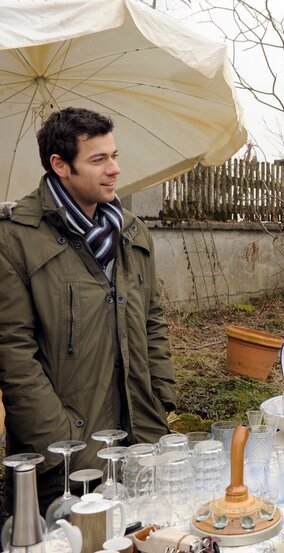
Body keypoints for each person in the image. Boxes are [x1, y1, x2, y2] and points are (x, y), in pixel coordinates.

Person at [0, 107, 176, 508]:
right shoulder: (15, 239)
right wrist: (63, 442)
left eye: (114, 155)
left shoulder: (131, 232)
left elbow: (153, 321)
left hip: (141, 439)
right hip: (64, 460)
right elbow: (14, 355)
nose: (114, 169)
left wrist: (160, 399)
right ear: (60, 165)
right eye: (98, 160)